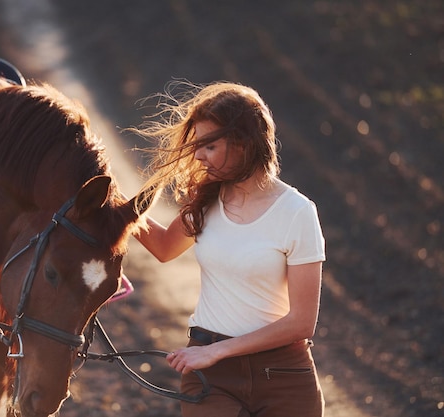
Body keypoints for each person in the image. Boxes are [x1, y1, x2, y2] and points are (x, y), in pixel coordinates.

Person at [130, 81, 326, 417]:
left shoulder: (297, 213)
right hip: (210, 377)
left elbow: (302, 322)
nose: (197, 156)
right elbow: (163, 247)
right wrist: (115, 201)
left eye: (209, 145)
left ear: (243, 145)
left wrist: (219, 352)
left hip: (284, 375)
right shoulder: (208, 201)